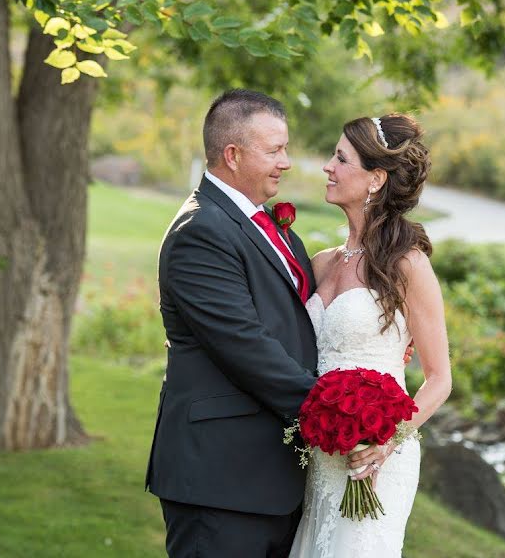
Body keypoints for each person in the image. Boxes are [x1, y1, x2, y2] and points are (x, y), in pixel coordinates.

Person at [145, 90, 414, 557]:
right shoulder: (201, 232)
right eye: (274, 150)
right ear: (232, 155)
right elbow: (245, 346)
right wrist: (344, 419)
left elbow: (302, 322)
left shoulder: (269, 226)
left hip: (277, 476)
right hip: (222, 479)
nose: (287, 163)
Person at [288, 114, 452, 558]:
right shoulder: (321, 263)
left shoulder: (408, 266)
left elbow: (439, 379)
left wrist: (386, 442)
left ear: (376, 179)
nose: (327, 166)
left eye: (341, 158)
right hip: (320, 455)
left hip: (379, 456)